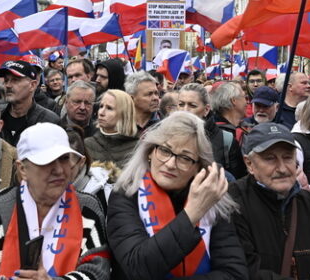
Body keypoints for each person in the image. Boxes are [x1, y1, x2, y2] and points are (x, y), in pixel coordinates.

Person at [0, 123, 110, 279]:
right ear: (22, 169)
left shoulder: (87, 207)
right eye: (46, 161)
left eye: (64, 159)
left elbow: (99, 271)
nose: (58, 170)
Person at [107, 111, 247, 279]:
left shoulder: (212, 200)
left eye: (185, 158)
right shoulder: (125, 195)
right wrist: (192, 215)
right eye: (165, 151)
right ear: (150, 152)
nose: (171, 164)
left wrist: (199, 208)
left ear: (198, 167)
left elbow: (234, 274)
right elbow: (137, 267)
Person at [230, 122, 310, 279]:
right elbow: (243, 271)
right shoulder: (233, 204)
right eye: (270, 159)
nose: (282, 168)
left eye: (288, 157)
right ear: (249, 164)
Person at [177, 83, 246, 180]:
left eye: (192, 105)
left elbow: (238, 183)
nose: (185, 110)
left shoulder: (225, 139)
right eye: (181, 104)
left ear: (206, 110)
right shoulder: (166, 135)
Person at [0, 60, 60, 146]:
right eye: (6, 80)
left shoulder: (50, 121)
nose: (8, 85)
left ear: (33, 85)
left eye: (15, 80)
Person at [84, 89, 138, 168]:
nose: (101, 112)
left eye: (109, 108)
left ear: (124, 114)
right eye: (101, 106)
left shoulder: (138, 148)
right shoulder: (88, 144)